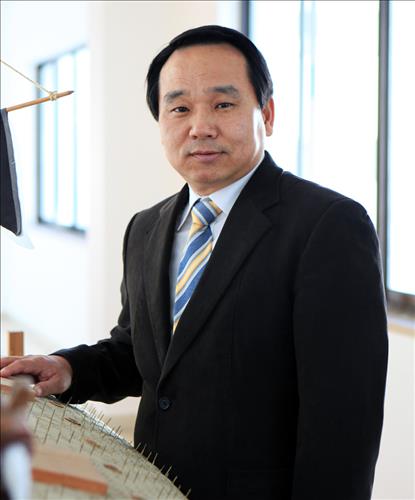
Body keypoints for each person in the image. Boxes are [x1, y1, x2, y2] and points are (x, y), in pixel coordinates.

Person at [0, 25, 388, 500]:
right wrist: (68, 368)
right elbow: (142, 353)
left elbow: (343, 424)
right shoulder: (146, 227)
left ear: (266, 113)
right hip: (151, 486)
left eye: (223, 104)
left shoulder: (328, 226)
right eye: (179, 108)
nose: (200, 126)